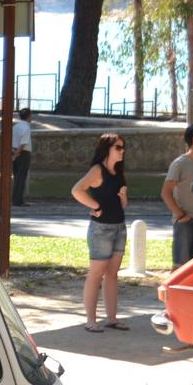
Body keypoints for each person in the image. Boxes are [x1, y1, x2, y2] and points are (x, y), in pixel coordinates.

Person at [71, 134, 129, 333]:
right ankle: (90, 321)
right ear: (107, 149)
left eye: (123, 148)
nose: (122, 151)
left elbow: (123, 202)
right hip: (101, 229)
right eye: (118, 147)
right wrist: (95, 206)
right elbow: (77, 190)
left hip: (119, 227)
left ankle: (111, 318)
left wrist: (123, 199)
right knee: (96, 274)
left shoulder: (118, 171)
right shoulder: (97, 170)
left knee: (112, 274)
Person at [161, 124, 193, 269]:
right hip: (186, 224)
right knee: (180, 269)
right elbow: (166, 192)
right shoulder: (180, 163)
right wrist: (180, 215)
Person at [11, 108, 32, 206]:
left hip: (14, 151)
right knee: (21, 177)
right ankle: (18, 200)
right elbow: (23, 143)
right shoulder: (26, 128)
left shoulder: (15, 127)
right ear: (29, 116)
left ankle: (15, 198)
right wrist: (17, 154)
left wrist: (14, 154)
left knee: (16, 177)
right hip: (23, 153)